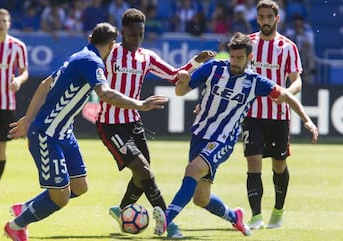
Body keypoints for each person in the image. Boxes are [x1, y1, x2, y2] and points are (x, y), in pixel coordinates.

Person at [4, 22, 169, 241]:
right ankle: (16, 226)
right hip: (47, 134)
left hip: (65, 134)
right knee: (61, 198)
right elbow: (106, 94)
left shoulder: (80, 56)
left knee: (80, 186)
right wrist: (140, 105)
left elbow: (45, 83)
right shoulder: (92, 62)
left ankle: (25, 207)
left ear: (90, 37)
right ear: (111, 44)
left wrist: (27, 118)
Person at [152, 32, 318, 237]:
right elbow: (180, 92)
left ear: (250, 58)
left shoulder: (255, 81)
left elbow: (286, 96)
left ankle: (166, 220)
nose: (234, 62)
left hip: (223, 139)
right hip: (200, 134)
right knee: (201, 198)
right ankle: (235, 218)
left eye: (239, 58)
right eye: (232, 57)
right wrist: (183, 81)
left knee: (192, 170)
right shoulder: (213, 68)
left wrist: (307, 120)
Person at [95, 8, 215, 239]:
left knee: (142, 176)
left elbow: (174, 75)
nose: (136, 38)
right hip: (110, 124)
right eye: (131, 34)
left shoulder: (146, 57)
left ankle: (121, 212)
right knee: (144, 171)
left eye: (140, 34)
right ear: (122, 33)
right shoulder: (109, 54)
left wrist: (195, 62)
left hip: (134, 123)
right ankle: (168, 224)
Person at [242, 0, 305, 230]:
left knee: (279, 165)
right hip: (252, 113)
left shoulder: (288, 47)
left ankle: (278, 211)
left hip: (278, 114)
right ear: (257, 18)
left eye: (269, 17)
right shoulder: (248, 44)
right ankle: (256, 216)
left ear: (277, 18)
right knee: (253, 161)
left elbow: (297, 80)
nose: (265, 21)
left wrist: (286, 93)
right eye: (261, 17)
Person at [0, 8, 29, 194]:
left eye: (5, 21)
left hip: (5, 104)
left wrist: (18, 80)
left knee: (0, 148)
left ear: (9, 24)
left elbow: (25, 71)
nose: (1, 24)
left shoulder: (18, 46)